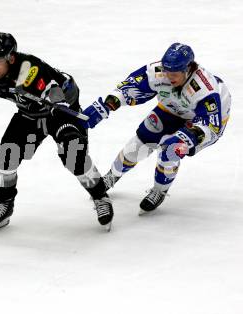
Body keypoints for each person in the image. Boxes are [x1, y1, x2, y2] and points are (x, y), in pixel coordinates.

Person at [0, 32, 113, 232]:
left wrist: (58, 105)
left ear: (10, 58)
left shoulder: (28, 69)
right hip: (29, 114)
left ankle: (100, 196)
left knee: (73, 154)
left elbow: (55, 91)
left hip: (60, 109)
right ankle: (4, 205)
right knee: (6, 155)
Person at [81, 43, 231, 214]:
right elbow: (130, 87)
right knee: (140, 142)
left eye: (174, 74)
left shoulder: (205, 89)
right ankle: (112, 175)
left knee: (170, 150)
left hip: (201, 122)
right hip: (172, 107)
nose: (168, 77)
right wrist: (106, 105)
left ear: (187, 69)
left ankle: (160, 190)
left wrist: (190, 138)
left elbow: (211, 125)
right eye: (166, 71)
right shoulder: (159, 71)